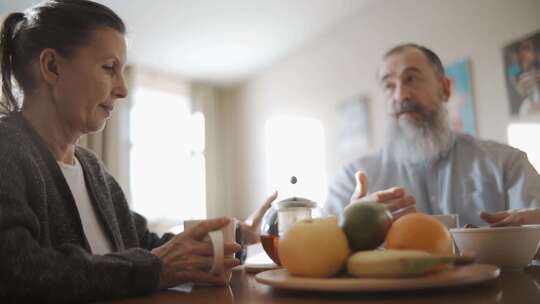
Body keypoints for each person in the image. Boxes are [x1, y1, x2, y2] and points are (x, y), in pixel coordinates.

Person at [0, 1, 275, 302]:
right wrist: (154, 268)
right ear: (52, 67)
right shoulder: (7, 147)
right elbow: (16, 271)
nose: (122, 89)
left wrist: (231, 240)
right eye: (109, 68)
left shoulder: (92, 169)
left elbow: (145, 245)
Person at [325, 43, 540, 228]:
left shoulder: (507, 164)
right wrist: (352, 226)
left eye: (411, 79)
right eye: (389, 86)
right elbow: (316, 250)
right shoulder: (351, 179)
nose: (400, 95)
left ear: (445, 89)